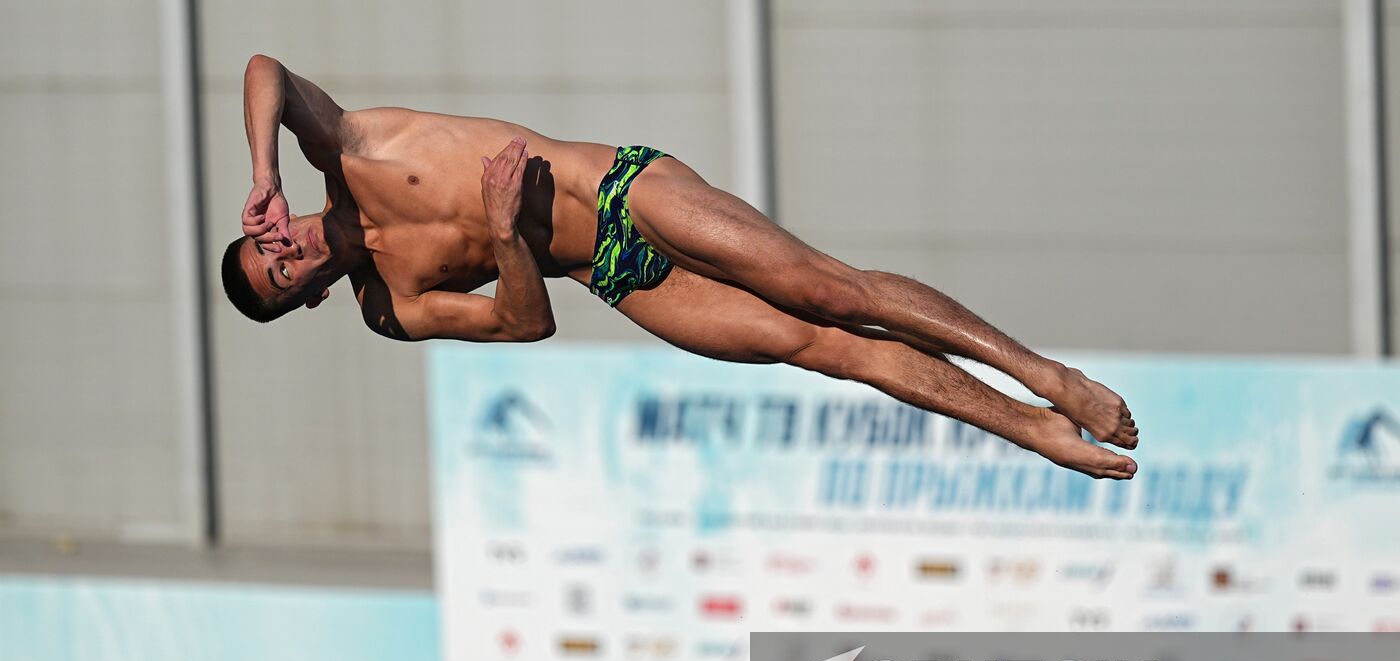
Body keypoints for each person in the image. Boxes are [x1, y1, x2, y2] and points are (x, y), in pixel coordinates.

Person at [224, 55, 1139, 479]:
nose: (286, 252)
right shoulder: (393, 304)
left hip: (624, 189)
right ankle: (1030, 429)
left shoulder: (349, 149)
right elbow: (524, 323)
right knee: (823, 347)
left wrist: (265, 170)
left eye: (270, 244)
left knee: (826, 288)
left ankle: (1045, 374)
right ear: (305, 299)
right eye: (282, 278)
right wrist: (507, 238)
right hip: (611, 275)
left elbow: (266, 68)